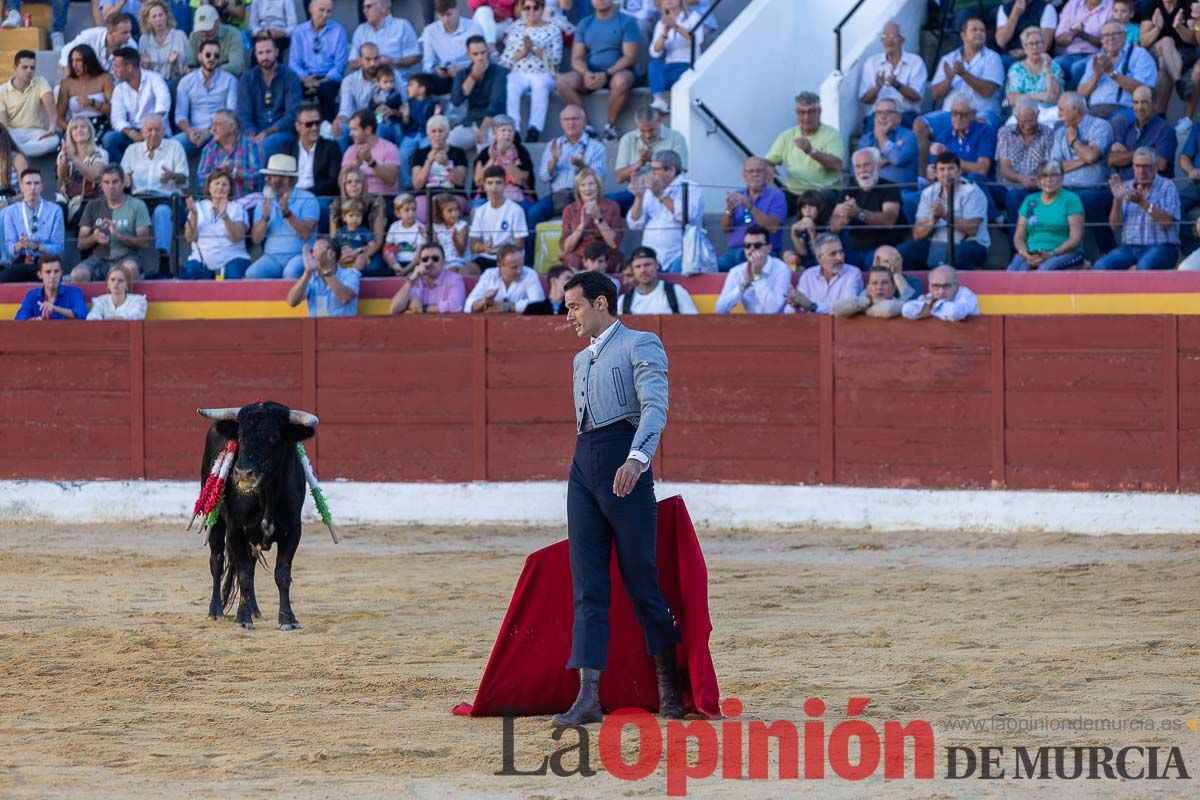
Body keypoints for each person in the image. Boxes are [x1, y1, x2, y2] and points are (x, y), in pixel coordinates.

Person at [552, 268, 683, 727]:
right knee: (587, 586)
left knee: (642, 581)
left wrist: (637, 459)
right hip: (583, 466)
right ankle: (588, 696)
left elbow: (655, 406)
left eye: (575, 306)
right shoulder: (577, 361)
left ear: (602, 303)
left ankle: (670, 686)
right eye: (567, 307)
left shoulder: (640, 342)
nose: (569, 315)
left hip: (623, 463)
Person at [556, 0, 640, 141]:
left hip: (619, 71)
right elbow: (576, 59)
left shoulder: (627, 21)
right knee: (563, 81)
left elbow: (630, 57)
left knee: (621, 80)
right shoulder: (585, 23)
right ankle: (587, 128)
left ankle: (610, 127)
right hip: (592, 72)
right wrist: (586, 73)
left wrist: (606, 74)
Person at [898, 151, 990, 271]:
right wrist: (933, 220)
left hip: (971, 244)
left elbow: (972, 230)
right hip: (936, 244)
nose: (946, 173)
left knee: (954, 255)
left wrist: (945, 215)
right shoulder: (928, 193)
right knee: (901, 253)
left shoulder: (972, 192)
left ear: (959, 171)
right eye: (942, 169)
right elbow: (917, 234)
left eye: (951, 168)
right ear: (936, 173)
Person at [120, 113, 187, 273]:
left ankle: (164, 260)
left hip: (165, 197)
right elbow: (121, 177)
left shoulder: (174, 147)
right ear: (142, 132)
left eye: (157, 130)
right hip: (138, 197)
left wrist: (173, 176)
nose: (153, 133)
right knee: (127, 211)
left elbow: (184, 179)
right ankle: (130, 261)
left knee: (162, 212)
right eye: (149, 130)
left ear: (164, 131)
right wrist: (126, 180)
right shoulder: (132, 150)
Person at [1095, 145, 1181, 269]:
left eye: (1146, 166)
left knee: (1144, 266)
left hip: (1162, 246)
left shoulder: (1167, 186)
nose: (1141, 171)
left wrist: (1142, 202)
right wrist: (1117, 199)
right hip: (1130, 248)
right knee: (1101, 266)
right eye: (1137, 166)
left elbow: (1167, 222)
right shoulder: (1127, 186)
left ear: (1155, 167)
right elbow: (1115, 227)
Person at [1049, 91, 1115, 252]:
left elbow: (1092, 156)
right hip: (1065, 188)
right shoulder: (1059, 133)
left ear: (1076, 109)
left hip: (1095, 188)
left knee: (1086, 199)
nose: (1058, 114)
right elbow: (1055, 167)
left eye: (1062, 110)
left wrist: (1073, 142)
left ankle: (1108, 251)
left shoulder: (1101, 126)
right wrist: (1084, 159)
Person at [527, 105, 608, 235]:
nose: (570, 123)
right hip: (558, 196)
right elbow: (543, 177)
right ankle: (528, 256)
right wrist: (553, 160)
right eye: (566, 119)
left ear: (583, 121)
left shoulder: (596, 147)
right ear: (561, 123)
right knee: (532, 214)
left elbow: (599, 177)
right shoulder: (553, 145)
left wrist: (582, 166)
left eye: (575, 119)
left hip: (584, 196)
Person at [764, 91, 844, 212]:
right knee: (769, 202)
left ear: (819, 112)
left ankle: (809, 230)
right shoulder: (787, 136)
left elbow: (836, 164)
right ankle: (757, 230)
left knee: (817, 204)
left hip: (822, 192)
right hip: (794, 192)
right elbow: (767, 161)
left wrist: (810, 150)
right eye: (801, 112)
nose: (806, 117)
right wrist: (767, 167)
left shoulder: (831, 134)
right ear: (796, 113)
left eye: (811, 112)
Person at [626, 150, 702, 273]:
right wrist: (639, 197)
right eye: (651, 169)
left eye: (656, 169)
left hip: (679, 255)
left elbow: (686, 217)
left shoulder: (691, 187)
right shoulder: (651, 189)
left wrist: (660, 194)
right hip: (652, 257)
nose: (651, 173)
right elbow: (634, 224)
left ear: (671, 170)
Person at [73, 164, 152, 283]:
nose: (111, 187)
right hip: (97, 258)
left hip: (126, 257)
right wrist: (94, 238)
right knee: (76, 275)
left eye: (115, 182)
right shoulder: (92, 206)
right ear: (101, 185)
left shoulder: (137, 205)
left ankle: (133, 302)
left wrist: (120, 236)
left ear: (123, 183)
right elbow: (80, 243)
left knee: (130, 268)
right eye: (106, 182)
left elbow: (145, 242)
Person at [246, 153, 319, 279]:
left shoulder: (308, 199)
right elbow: (256, 239)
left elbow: (306, 234)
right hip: (271, 258)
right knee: (252, 274)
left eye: (271, 175)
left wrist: (288, 214)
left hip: (300, 255)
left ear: (286, 179)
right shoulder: (264, 201)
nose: (266, 179)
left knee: (290, 272)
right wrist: (265, 219)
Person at [829, 147, 903, 269]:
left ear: (878, 166)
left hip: (882, 247)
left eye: (866, 165)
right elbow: (833, 227)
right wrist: (844, 217)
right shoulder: (849, 190)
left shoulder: (890, 187)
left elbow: (889, 221)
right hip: (853, 249)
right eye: (858, 166)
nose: (862, 170)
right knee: (830, 261)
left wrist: (859, 213)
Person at [499, 0, 561, 142]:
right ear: (522, 9)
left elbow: (556, 60)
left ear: (542, 8)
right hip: (519, 72)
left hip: (543, 72)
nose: (531, 11)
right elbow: (505, 60)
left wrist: (534, 49)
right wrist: (523, 52)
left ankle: (534, 129)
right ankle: (514, 129)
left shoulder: (553, 29)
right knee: (511, 85)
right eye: (527, 8)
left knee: (540, 85)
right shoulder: (515, 30)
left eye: (535, 7)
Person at [1008, 159, 1086, 271]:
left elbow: (1076, 238)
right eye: (1044, 176)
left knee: (1045, 270)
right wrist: (1026, 254)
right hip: (1032, 252)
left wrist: (1051, 254)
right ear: (1038, 180)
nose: (1049, 179)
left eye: (1054, 175)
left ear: (1062, 178)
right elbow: (1019, 237)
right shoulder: (1030, 200)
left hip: (1064, 252)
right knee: (1013, 271)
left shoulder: (1071, 199)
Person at [926, 16, 1004, 127]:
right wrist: (948, 80)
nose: (979, 33)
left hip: (981, 112)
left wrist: (963, 73)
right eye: (974, 30)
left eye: (982, 30)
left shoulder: (993, 58)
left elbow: (988, 91)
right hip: (950, 113)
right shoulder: (948, 59)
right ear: (963, 35)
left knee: (981, 124)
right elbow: (935, 94)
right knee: (921, 124)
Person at [611, 105, 688, 214]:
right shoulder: (628, 139)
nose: (647, 135)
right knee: (608, 204)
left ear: (659, 121)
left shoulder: (676, 138)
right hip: (636, 194)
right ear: (636, 125)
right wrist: (640, 163)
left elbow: (682, 171)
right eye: (643, 130)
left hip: (666, 193)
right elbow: (619, 178)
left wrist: (653, 158)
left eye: (651, 130)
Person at [1078, 20, 1157, 122]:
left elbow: (1145, 91)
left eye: (1115, 34)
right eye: (1106, 35)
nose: (1110, 38)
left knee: (1117, 121)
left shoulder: (1140, 55)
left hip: (1124, 109)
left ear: (1125, 35)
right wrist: (1096, 77)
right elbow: (1081, 93)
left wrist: (1112, 72)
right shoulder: (1096, 58)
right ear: (1101, 39)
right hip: (1094, 110)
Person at [239, 33, 304, 158]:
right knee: (242, 145)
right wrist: (252, 135)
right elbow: (244, 114)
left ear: (276, 52)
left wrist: (267, 132)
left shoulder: (290, 77)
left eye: (268, 52)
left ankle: (259, 177)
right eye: (260, 53)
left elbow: (292, 115)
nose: (265, 57)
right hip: (255, 130)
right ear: (256, 55)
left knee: (266, 145)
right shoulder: (247, 79)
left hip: (282, 131)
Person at [717, 156, 786, 271]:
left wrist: (750, 207)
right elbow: (724, 229)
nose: (755, 174)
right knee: (711, 268)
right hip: (734, 253)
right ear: (744, 176)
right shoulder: (738, 194)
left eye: (759, 171)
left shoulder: (776, 195)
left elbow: (773, 227)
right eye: (751, 171)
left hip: (763, 252)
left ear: (766, 175)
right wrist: (730, 209)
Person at [105, 47, 172, 164]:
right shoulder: (119, 89)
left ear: (129, 68)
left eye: (117, 67)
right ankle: (124, 174)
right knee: (109, 140)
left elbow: (163, 104)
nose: (114, 71)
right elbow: (116, 119)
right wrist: (133, 134)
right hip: (133, 132)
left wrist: (149, 130)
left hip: (157, 130)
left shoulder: (154, 78)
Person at [181, 168, 251, 279]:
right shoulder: (198, 207)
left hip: (233, 259)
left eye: (224, 185)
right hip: (201, 261)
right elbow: (190, 238)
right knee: (189, 272)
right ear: (209, 187)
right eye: (216, 183)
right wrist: (194, 214)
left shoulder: (237, 207)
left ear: (230, 189)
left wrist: (225, 217)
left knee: (234, 274)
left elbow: (236, 238)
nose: (220, 188)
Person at [173, 38, 238, 157]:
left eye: (216, 55)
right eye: (208, 55)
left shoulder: (230, 81)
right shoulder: (186, 81)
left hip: (221, 132)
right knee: (171, 147)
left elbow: (231, 114)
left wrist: (208, 132)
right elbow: (180, 115)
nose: (212, 58)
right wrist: (190, 132)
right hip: (194, 132)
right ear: (199, 56)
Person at [997, 97, 1056, 224]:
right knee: (978, 181)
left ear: (1038, 115)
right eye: (1023, 122)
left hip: (1036, 186)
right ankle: (999, 219)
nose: (1028, 126)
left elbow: (1048, 165)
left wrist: (1035, 180)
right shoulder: (1005, 132)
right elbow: (1004, 167)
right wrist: (1021, 179)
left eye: (1031, 121)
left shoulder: (1048, 133)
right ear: (1016, 117)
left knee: (1015, 196)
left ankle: (1015, 241)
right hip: (1008, 186)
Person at [0, 170, 65, 283]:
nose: (33, 187)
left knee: (52, 279)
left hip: (46, 261)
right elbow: (10, 249)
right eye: (28, 183)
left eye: (36, 183)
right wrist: (20, 244)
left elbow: (58, 247)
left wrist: (36, 246)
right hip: (21, 261)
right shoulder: (10, 212)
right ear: (21, 186)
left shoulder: (55, 210)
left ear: (42, 186)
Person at [280, 103, 341, 224]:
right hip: (292, 196)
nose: (314, 128)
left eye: (317, 123)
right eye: (309, 124)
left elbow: (333, 182)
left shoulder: (331, 147)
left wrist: (308, 193)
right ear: (298, 126)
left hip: (317, 196)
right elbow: (281, 178)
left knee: (323, 205)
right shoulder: (287, 148)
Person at [289, 0, 348, 122]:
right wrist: (305, 79)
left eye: (329, 11)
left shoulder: (339, 30)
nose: (325, 14)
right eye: (321, 10)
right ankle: (295, 127)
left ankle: (327, 128)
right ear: (311, 8)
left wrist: (321, 81)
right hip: (305, 77)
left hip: (329, 78)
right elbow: (294, 63)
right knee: (291, 87)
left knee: (326, 89)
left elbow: (340, 65)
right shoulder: (299, 31)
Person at [858, 22, 927, 127]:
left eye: (893, 36)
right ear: (882, 41)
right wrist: (877, 87)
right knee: (872, 126)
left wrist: (897, 85)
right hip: (878, 115)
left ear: (902, 40)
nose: (889, 41)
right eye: (885, 37)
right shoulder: (872, 63)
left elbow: (917, 96)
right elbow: (865, 100)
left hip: (905, 114)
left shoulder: (915, 62)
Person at [715, 224, 792, 314]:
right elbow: (720, 309)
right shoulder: (737, 271)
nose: (751, 250)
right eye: (747, 245)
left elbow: (774, 310)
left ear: (769, 248)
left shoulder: (781, 269)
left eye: (757, 245)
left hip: (778, 325)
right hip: (749, 324)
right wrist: (744, 285)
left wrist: (758, 278)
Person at [449, 35, 508, 151]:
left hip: (493, 123)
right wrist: (473, 76)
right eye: (476, 54)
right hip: (471, 121)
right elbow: (456, 100)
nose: (480, 57)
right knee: (447, 146)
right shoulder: (463, 74)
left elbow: (495, 105)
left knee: (486, 150)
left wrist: (483, 130)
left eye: (483, 52)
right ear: (469, 55)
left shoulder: (498, 72)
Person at [1138, 0, 1197, 114]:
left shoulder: (1187, 5)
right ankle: (1179, 82)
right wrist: (1157, 29)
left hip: (1183, 52)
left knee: (1165, 64)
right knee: (1166, 41)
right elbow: (1144, 42)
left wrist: (1179, 27)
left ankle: (1160, 114)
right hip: (1155, 51)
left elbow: (1193, 40)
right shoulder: (1152, 5)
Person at [785, 233, 865, 315]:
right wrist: (795, 304)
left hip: (842, 326)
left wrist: (813, 306)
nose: (840, 257)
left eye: (841, 252)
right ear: (819, 258)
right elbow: (795, 308)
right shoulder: (808, 276)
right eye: (833, 254)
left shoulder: (853, 273)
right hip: (810, 325)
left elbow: (846, 308)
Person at [469, 165, 529, 271]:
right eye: (490, 183)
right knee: (467, 271)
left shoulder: (516, 210)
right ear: (484, 185)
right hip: (486, 257)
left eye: (498, 183)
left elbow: (520, 245)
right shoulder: (480, 211)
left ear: (505, 185)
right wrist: (484, 247)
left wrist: (503, 250)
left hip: (509, 258)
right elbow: (473, 244)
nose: (494, 187)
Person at [0, 50, 59, 159]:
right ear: (15, 67)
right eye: (25, 67)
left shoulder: (40, 82)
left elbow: (51, 108)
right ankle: (19, 150)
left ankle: (15, 151)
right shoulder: (2, 90)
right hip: (13, 133)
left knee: (54, 140)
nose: (29, 71)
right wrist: (5, 138)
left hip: (37, 133)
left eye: (32, 68)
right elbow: (3, 124)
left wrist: (52, 127)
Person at [560, 167, 622, 270]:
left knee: (611, 260)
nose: (587, 189)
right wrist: (582, 224)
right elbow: (566, 248)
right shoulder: (570, 209)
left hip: (605, 253)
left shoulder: (612, 206)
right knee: (571, 259)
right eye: (583, 185)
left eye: (591, 184)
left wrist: (598, 218)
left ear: (598, 186)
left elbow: (614, 244)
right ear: (578, 189)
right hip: (580, 255)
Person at [1108, 85, 1175, 180]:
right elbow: (1112, 159)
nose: (1139, 107)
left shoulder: (1165, 129)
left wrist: (1125, 155)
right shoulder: (1127, 127)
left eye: (1144, 102)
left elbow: (1160, 164)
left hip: (1153, 190)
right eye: (1136, 102)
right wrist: (1146, 152)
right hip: (1124, 189)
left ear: (1155, 104)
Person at [412, 115, 469, 222]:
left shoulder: (458, 152)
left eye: (441, 131)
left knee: (445, 204)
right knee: (421, 206)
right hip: (426, 195)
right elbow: (417, 184)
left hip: (453, 194)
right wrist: (428, 162)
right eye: (433, 131)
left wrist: (447, 164)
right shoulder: (420, 153)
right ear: (428, 135)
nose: (437, 134)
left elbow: (460, 181)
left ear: (447, 134)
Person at [647, 0, 701, 114]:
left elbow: (698, 40)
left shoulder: (693, 16)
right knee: (654, 64)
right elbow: (654, 52)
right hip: (669, 67)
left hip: (688, 66)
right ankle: (659, 100)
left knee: (656, 80)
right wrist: (664, 35)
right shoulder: (661, 23)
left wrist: (676, 27)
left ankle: (658, 108)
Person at [197, 110, 265, 198]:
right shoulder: (209, 149)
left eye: (217, 124)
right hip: (218, 204)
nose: (212, 129)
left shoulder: (251, 145)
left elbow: (259, 178)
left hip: (247, 205)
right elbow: (200, 180)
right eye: (212, 124)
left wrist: (234, 172)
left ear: (232, 127)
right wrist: (219, 172)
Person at [422, 0, 485, 95]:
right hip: (445, 76)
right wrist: (435, 69)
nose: (445, 20)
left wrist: (464, 68)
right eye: (441, 15)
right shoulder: (430, 31)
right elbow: (428, 60)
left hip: (469, 72)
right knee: (422, 82)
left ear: (457, 9)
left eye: (449, 14)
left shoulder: (474, 27)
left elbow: (483, 57)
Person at [471, 115, 535, 209]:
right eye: (503, 130)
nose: (507, 134)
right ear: (495, 134)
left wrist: (503, 157)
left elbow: (521, 180)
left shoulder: (521, 152)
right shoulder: (485, 153)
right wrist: (492, 159)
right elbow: (478, 181)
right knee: (476, 209)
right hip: (487, 195)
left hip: (517, 196)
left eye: (510, 131)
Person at [285, 238, 361, 317]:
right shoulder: (310, 277)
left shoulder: (350, 274)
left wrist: (325, 268)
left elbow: (345, 297)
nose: (314, 254)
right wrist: (307, 272)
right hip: (316, 327)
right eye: (312, 251)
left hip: (342, 327)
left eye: (318, 249)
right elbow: (292, 302)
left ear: (331, 254)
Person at [56, 117, 108, 230]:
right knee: (55, 214)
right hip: (67, 198)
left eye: (83, 127)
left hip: (90, 198)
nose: (79, 130)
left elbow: (94, 175)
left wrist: (74, 159)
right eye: (75, 128)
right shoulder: (64, 153)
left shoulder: (100, 153)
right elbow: (60, 180)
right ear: (70, 134)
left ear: (90, 131)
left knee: (79, 218)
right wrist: (65, 158)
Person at [332, 43, 387, 151]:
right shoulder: (349, 81)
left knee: (380, 129)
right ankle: (345, 166)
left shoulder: (391, 76)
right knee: (341, 130)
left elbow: (404, 102)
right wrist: (339, 120)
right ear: (360, 60)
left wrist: (394, 110)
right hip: (358, 124)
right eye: (368, 59)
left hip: (384, 122)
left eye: (376, 59)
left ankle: (377, 164)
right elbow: (346, 110)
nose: (373, 63)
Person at [56, 44, 114, 140]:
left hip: (99, 125)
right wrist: (71, 129)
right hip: (75, 127)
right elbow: (59, 117)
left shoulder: (104, 78)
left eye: (79, 60)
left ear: (89, 61)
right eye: (72, 60)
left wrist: (92, 103)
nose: (74, 65)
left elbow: (113, 110)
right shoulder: (67, 83)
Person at [617, 246, 698, 315]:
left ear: (657, 265)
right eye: (638, 266)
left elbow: (693, 324)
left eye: (647, 265)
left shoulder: (676, 291)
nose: (643, 270)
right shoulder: (623, 301)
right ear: (633, 270)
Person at [464, 242, 544, 311]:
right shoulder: (489, 275)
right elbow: (468, 305)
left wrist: (507, 306)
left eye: (521, 265)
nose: (519, 271)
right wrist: (484, 302)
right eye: (514, 267)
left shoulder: (530, 274)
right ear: (500, 265)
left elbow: (538, 304)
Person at [858, 98, 919, 189]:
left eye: (889, 112)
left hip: (901, 193)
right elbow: (861, 165)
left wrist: (881, 136)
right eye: (879, 113)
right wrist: (889, 156)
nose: (883, 116)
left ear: (899, 118)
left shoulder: (909, 136)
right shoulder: (867, 138)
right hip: (873, 192)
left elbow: (897, 159)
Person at [389, 241, 465, 313]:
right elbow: (394, 309)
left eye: (435, 258)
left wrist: (424, 308)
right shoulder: (416, 280)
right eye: (425, 259)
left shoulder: (454, 279)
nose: (429, 262)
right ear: (420, 262)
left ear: (443, 262)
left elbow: (455, 306)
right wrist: (412, 279)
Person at [1005, 27, 1063, 121]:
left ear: (1044, 46)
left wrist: (1047, 69)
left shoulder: (1054, 67)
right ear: (1024, 47)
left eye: (1038, 43)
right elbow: (1012, 99)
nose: (1035, 47)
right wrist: (1042, 96)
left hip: (1049, 112)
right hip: (1023, 112)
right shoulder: (1016, 69)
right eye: (1031, 44)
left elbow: (1052, 97)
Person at [350, 0, 420, 78]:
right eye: (364, 7)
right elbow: (352, 62)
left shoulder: (402, 26)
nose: (364, 10)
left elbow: (415, 57)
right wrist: (368, 62)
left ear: (383, 8)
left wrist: (393, 61)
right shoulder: (361, 29)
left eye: (369, 7)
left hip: (396, 81)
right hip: (368, 81)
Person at [341, 110, 402, 197]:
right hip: (357, 203)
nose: (350, 134)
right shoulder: (350, 151)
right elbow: (341, 183)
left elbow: (391, 180)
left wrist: (371, 161)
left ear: (368, 130)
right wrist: (356, 164)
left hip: (384, 200)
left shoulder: (389, 148)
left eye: (354, 129)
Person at [1053, 0, 1111, 87]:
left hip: (1096, 54)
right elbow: (1059, 39)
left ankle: (1080, 98)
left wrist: (1084, 35)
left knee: (1077, 68)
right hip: (1071, 54)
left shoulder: (1110, 6)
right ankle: (1056, 98)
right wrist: (1071, 36)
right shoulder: (1072, 4)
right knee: (1054, 64)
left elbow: (1108, 41)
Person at [60, 12, 134, 73]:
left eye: (130, 31)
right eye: (125, 32)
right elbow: (66, 50)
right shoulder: (90, 36)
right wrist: (68, 75)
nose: (129, 35)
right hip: (85, 78)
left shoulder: (132, 46)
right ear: (110, 32)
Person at [15, 257, 86, 320]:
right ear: (40, 275)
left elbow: (82, 315)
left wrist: (55, 309)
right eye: (48, 272)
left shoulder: (74, 292)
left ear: (61, 273)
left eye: (56, 271)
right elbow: (19, 319)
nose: (53, 276)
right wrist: (36, 320)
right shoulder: (32, 295)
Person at [902, 264, 980, 321]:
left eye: (946, 286)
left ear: (956, 285)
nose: (941, 291)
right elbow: (906, 309)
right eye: (936, 286)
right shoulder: (929, 296)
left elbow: (955, 313)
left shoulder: (966, 294)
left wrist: (933, 304)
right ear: (930, 287)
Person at [139, 0, 190, 86]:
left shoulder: (180, 36)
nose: (158, 19)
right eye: (154, 16)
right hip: (152, 84)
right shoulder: (144, 39)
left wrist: (174, 64)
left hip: (175, 82)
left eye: (160, 15)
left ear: (166, 16)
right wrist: (146, 65)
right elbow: (142, 72)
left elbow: (187, 69)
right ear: (148, 20)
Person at [994, 0, 1059, 67]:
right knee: (998, 62)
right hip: (1010, 55)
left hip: (1037, 55)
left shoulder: (1046, 8)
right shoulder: (1004, 8)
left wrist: (1025, 52)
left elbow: (1046, 43)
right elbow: (1001, 41)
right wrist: (1015, 14)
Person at [187, 4, 245, 76]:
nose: (205, 34)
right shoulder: (194, 36)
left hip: (227, 76)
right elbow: (191, 64)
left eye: (208, 29)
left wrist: (210, 71)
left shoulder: (233, 34)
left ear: (217, 22)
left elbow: (237, 65)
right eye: (202, 30)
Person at [831, 265, 906, 319]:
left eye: (885, 282)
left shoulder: (899, 304)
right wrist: (868, 301)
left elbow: (888, 309)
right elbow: (836, 308)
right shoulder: (862, 302)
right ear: (868, 289)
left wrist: (866, 310)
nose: (879, 287)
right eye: (874, 283)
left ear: (893, 288)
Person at [332, 199, 384, 276]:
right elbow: (334, 246)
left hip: (358, 256)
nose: (355, 218)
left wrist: (359, 251)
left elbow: (373, 245)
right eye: (351, 215)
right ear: (344, 217)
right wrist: (342, 254)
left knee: (364, 260)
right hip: (344, 257)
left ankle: (354, 273)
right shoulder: (340, 232)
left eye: (358, 215)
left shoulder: (363, 231)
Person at [383, 193, 425, 276]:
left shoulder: (420, 227)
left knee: (413, 274)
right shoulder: (394, 226)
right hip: (397, 263)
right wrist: (395, 265)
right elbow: (386, 248)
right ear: (397, 213)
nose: (411, 213)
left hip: (413, 263)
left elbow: (419, 254)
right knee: (386, 253)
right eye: (407, 210)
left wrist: (405, 270)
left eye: (414, 209)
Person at [432, 192, 470, 270]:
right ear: (440, 213)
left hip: (458, 261)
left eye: (456, 209)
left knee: (452, 270)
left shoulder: (462, 225)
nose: (454, 213)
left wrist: (455, 239)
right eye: (450, 211)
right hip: (441, 261)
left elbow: (461, 253)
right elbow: (435, 248)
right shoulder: (436, 227)